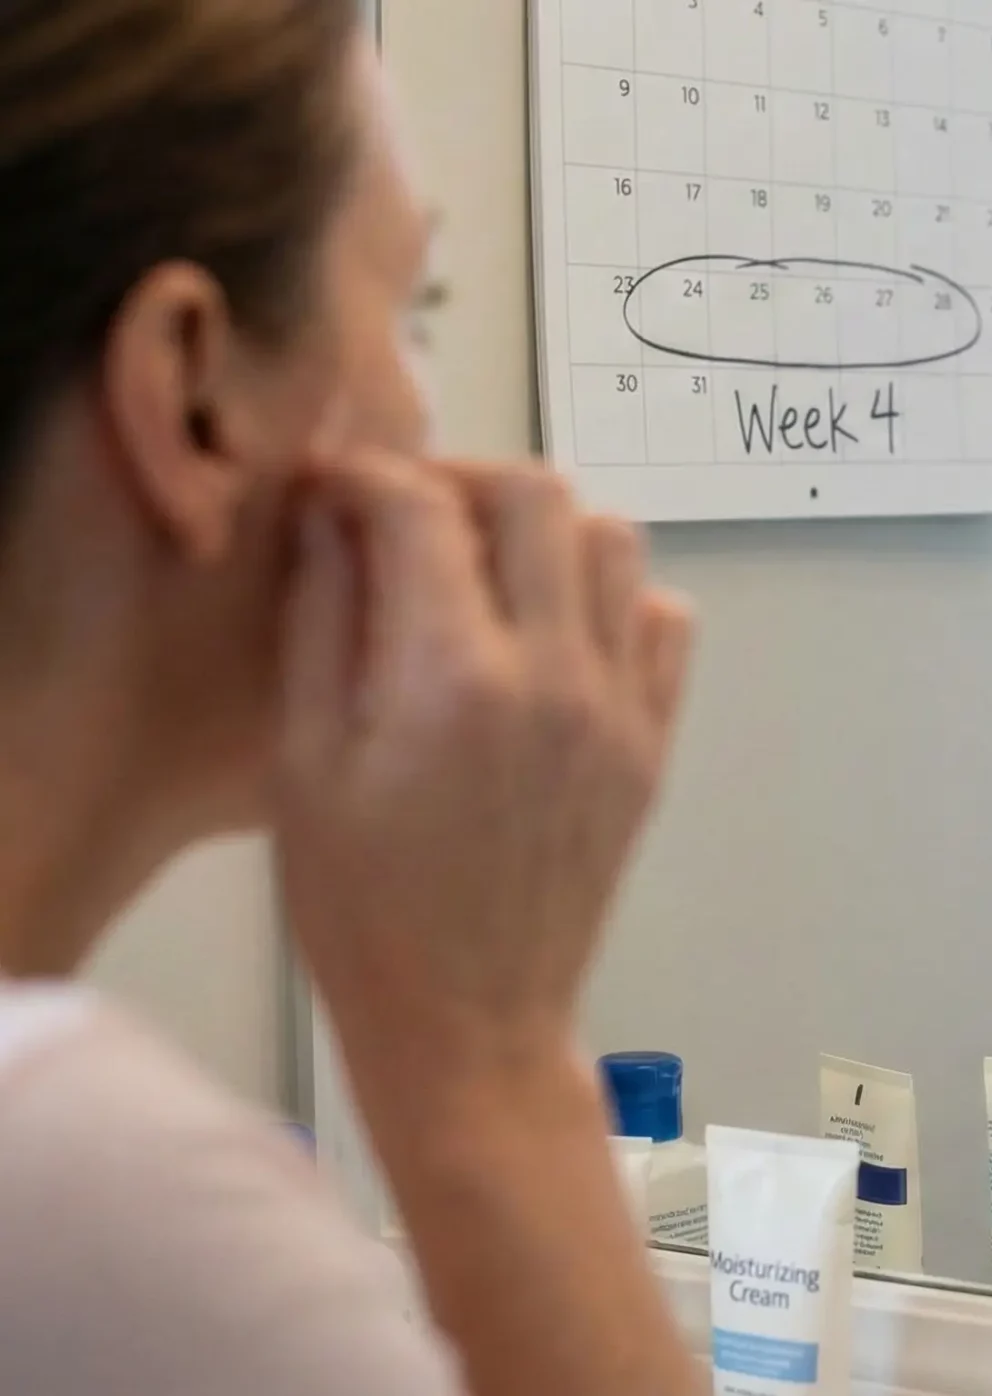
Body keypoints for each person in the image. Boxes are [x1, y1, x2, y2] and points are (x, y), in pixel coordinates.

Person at [0, 3, 704, 1393]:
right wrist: (492, 1071)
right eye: (412, 314)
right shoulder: (88, 1194)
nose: (445, 436)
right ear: (192, 393)